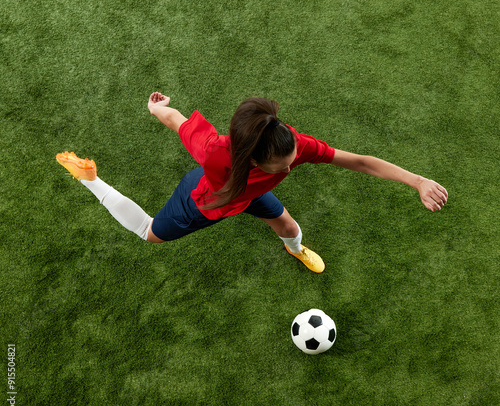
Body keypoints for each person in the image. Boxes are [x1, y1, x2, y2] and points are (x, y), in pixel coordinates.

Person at [56, 92, 448, 273]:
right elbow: (179, 123)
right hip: (205, 202)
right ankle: (90, 179)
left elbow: (360, 162)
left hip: (250, 196)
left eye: (294, 155)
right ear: (255, 157)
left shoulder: (293, 144)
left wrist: (416, 181)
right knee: (150, 233)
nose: (295, 163)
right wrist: (159, 110)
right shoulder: (214, 152)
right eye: (285, 164)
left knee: (290, 227)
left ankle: (294, 249)